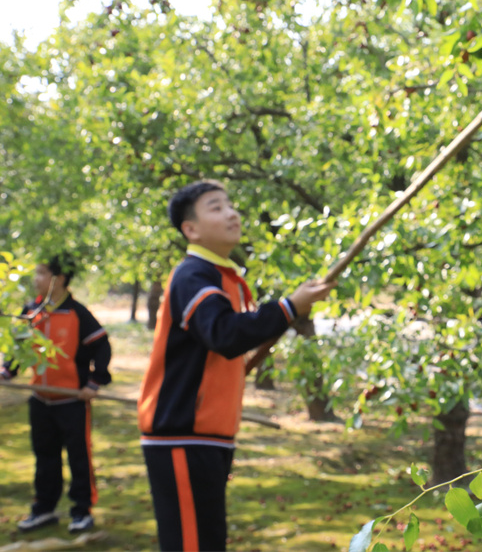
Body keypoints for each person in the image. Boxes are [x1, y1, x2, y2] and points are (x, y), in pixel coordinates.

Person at [137, 180, 335, 551]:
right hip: (181, 432)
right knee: (190, 543)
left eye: (231, 205)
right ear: (190, 229)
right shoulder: (193, 274)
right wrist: (288, 307)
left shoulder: (225, 277)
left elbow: (226, 345)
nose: (231, 213)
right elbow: (224, 335)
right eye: (216, 207)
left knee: (208, 540)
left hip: (209, 432)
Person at [0, 253, 112, 534]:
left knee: (79, 457)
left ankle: (82, 511)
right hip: (40, 399)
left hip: (71, 400)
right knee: (44, 456)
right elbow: (19, 351)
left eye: (42, 273)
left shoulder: (78, 313)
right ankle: (44, 509)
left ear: (60, 279)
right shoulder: (32, 311)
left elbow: (102, 347)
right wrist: (5, 373)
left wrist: (94, 383)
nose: (36, 279)